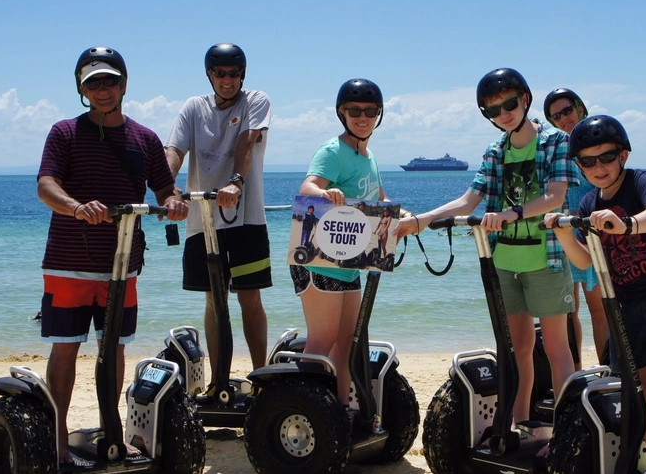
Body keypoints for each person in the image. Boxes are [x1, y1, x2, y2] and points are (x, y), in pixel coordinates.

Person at [397, 69, 580, 443]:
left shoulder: (556, 141)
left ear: (525, 100)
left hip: (546, 260)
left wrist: (510, 214)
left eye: (510, 104)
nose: (504, 113)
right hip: (504, 263)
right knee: (518, 349)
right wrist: (421, 221)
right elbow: (469, 201)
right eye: (494, 110)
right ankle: (519, 425)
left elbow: (555, 197)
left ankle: (566, 431)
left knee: (559, 349)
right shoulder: (495, 152)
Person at [38, 46, 187, 466]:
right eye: (93, 83)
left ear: (124, 84)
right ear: (82, 89)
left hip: (123, 267)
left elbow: (164, 189)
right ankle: (57, 440)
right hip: (68, 263)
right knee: (65, 348)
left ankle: (112, 432)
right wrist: (74, 206)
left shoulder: (144, 139)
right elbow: (45, 184)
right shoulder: (65, 133)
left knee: (114, 350)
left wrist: (174, 202)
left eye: (109, 81)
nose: (103, 90)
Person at [545, 114, 646, 469]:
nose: (598, 167)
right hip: (627, 305)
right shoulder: (588, 204)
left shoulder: (642, 182)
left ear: (624, 155)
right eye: (588, 161)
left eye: (607, 157)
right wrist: (562, 235)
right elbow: (587, 261)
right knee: (643, 390)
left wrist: (628, 225)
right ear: (579, 166)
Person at [166, 43, 272, 383]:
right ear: (209, 75)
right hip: (203, 218)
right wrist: (167, 189)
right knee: (214, 299)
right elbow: (174, 150)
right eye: (220, 74)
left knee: (248, 297)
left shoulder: (254, 100)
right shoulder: (194, 108)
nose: (227, 80)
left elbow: (247, 140)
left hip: (247, 217)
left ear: (242, 75)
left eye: (234, 74)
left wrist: (237, 183)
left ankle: (260, 378)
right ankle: (218, 381)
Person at [293, 78, 398, 405]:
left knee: (347, 340)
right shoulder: (333, 151)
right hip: (319, 261)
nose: (362, 116)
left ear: (378, 114)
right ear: (342, 112)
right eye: (355, 110)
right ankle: (305, 410)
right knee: (322, 339)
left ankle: (339, 409)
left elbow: (380, 199)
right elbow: (307, 188)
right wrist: (326, 192)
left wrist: (407, 218)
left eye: (370, 111)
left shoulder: (370, 157)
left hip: (351, 265)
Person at [544, 88, 608, 368]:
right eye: (555, 116)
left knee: (600, 310)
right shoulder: (556, 149)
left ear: (580, 108)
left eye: (567, 111)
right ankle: (576, 373)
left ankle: (610, 370)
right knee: (568, 311)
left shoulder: (598, 144)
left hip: (593, 236)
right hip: (561, 236)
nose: (563, 119)